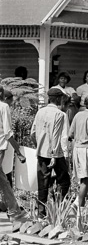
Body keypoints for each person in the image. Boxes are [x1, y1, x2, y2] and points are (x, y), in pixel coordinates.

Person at [31, 88, 71, 217]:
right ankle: (58, 209)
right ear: (59, 99)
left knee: (43, 183)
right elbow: (55, 136)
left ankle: (41, 214)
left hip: (42, 152)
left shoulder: (40, 112)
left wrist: (38, 146)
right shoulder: (59, 114)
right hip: (56, 153)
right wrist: (54, 155)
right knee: (64, 180)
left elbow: (32, 133)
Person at [0, 85, 29, 222]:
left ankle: (13, 210)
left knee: (3, 180)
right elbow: (7, 132)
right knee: (3, 181)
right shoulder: (3, 107)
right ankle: (14, 211)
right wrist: (18, 151)